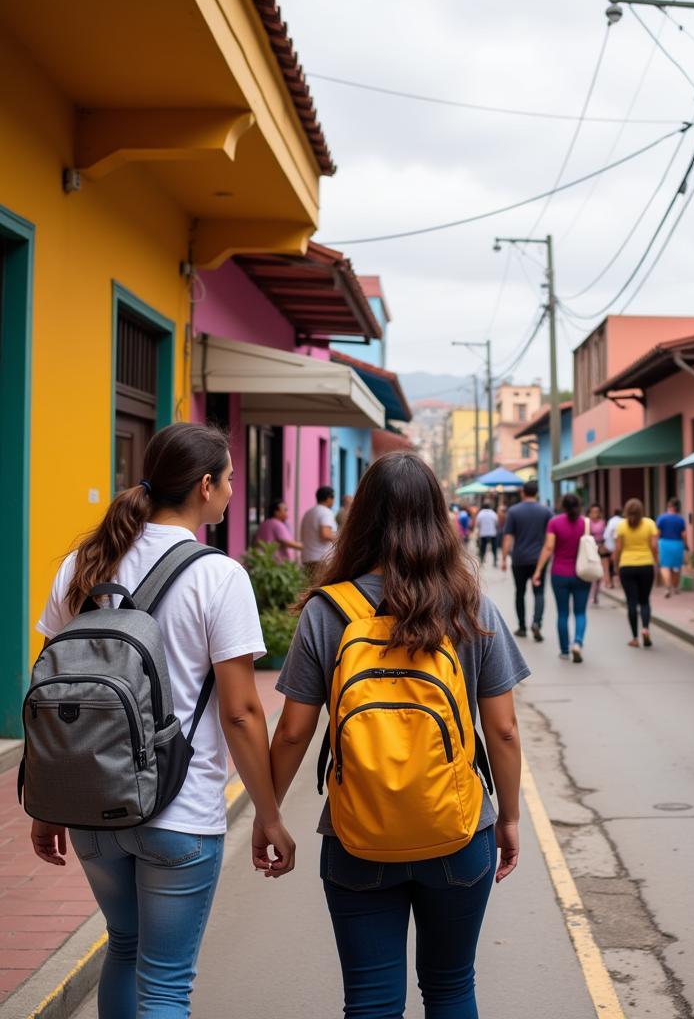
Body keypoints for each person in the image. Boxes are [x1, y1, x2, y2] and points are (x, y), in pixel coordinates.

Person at [30, 423, 294, 1016]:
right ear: (205, 485)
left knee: (124, 947)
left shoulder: (81, 563)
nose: (230, 492)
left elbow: (48, 694)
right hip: (182, 808)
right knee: (167, 982)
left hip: (91, 804)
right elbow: (242, 711)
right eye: (228, 480)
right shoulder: (218, 576)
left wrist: (46, 802)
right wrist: (269, 814)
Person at [268, 452, 528, 1017]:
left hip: (356, 833)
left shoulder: (326, 610)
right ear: (438, 517)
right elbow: (502, 731)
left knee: (370, 1000)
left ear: (361, 518)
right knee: (452, 986)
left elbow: (292, 732)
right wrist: (507, 818)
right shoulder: (469, 604)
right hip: (459, 830)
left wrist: (269, 813)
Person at [533, 493, 591, 663]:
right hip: (582, 574)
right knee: (580, 612)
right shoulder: (585, 523)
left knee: (563, 613)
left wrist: (538, 570)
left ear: (562, 506)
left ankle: (565, 650)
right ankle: (578, 643)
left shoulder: (554, 522)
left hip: (559, 574)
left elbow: (549, 547)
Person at [501, 479, 553, 641]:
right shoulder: (546, 511)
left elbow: (508, 537)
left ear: (523, 492)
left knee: (520, 592)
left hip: (519, 559)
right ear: (537, 493)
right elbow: (550, 537)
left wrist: (503, 558)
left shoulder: (514, 512)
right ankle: (537, 622)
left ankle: (522, 627)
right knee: (539, 592)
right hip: (539, 559)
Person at [615, 498, 659, 648]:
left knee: (631, 602)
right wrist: (656, 562)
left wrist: (616, 566)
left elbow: (618, 549)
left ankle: (634, 638)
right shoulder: (650, 524)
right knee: (645, 600)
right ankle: (645, 629)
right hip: (646, 565)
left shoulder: (621, 526)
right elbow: (654, 546)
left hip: (626, 566)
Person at [300, 485, 338, 579]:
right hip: (321, 559)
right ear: (329, 498)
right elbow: (325, 534)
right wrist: (341, 539)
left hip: (308, 557)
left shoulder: (309, 512)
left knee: (311, 587)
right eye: (333, 498)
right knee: (320, 587)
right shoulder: (326, 512)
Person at [655, 497, 687, 598]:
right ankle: (676, 587)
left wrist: (656, 544)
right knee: (676, 567)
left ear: (670, 507)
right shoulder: (680, 519)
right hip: (677, 544)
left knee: (665, 566)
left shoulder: (662, 518)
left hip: (664, 543)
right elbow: (684, 534)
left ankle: (668, 587)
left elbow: (658, 533)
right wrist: (686, 545)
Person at [254, 497, 303, 562]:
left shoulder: (265, 523)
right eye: (284, 510)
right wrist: (305, 547)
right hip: (274, 562)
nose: (286, 513)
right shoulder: (276, 523)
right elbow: (286, 542)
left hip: (263, 560)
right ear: (276, 512)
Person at [587, 504, 606, 605]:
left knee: (599, 573)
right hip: (589, 549)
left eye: (597, 511)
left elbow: (605, 536)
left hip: (600, 549)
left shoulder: (602, 523)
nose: (595, 514)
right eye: (592, 512)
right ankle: (590, 594)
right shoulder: (587, 522)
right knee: (590, 572)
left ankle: (596, 594)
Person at [474, 500, 500, 566]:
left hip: (483, 533)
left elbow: (477, 523)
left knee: (483, 546)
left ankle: (482, 559)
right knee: (494, 547)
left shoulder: (480, 513)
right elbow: (497, 523)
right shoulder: (493, 513)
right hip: (492, 533)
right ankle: (495, 560)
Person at [603, 506, 623, 589]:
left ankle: (610, 582)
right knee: (619, 564)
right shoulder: (623, 521)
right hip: (620, 547)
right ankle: (620, 582)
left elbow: (606, 534)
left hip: (610, 546)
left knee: (610, 566)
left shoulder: (611, 521)